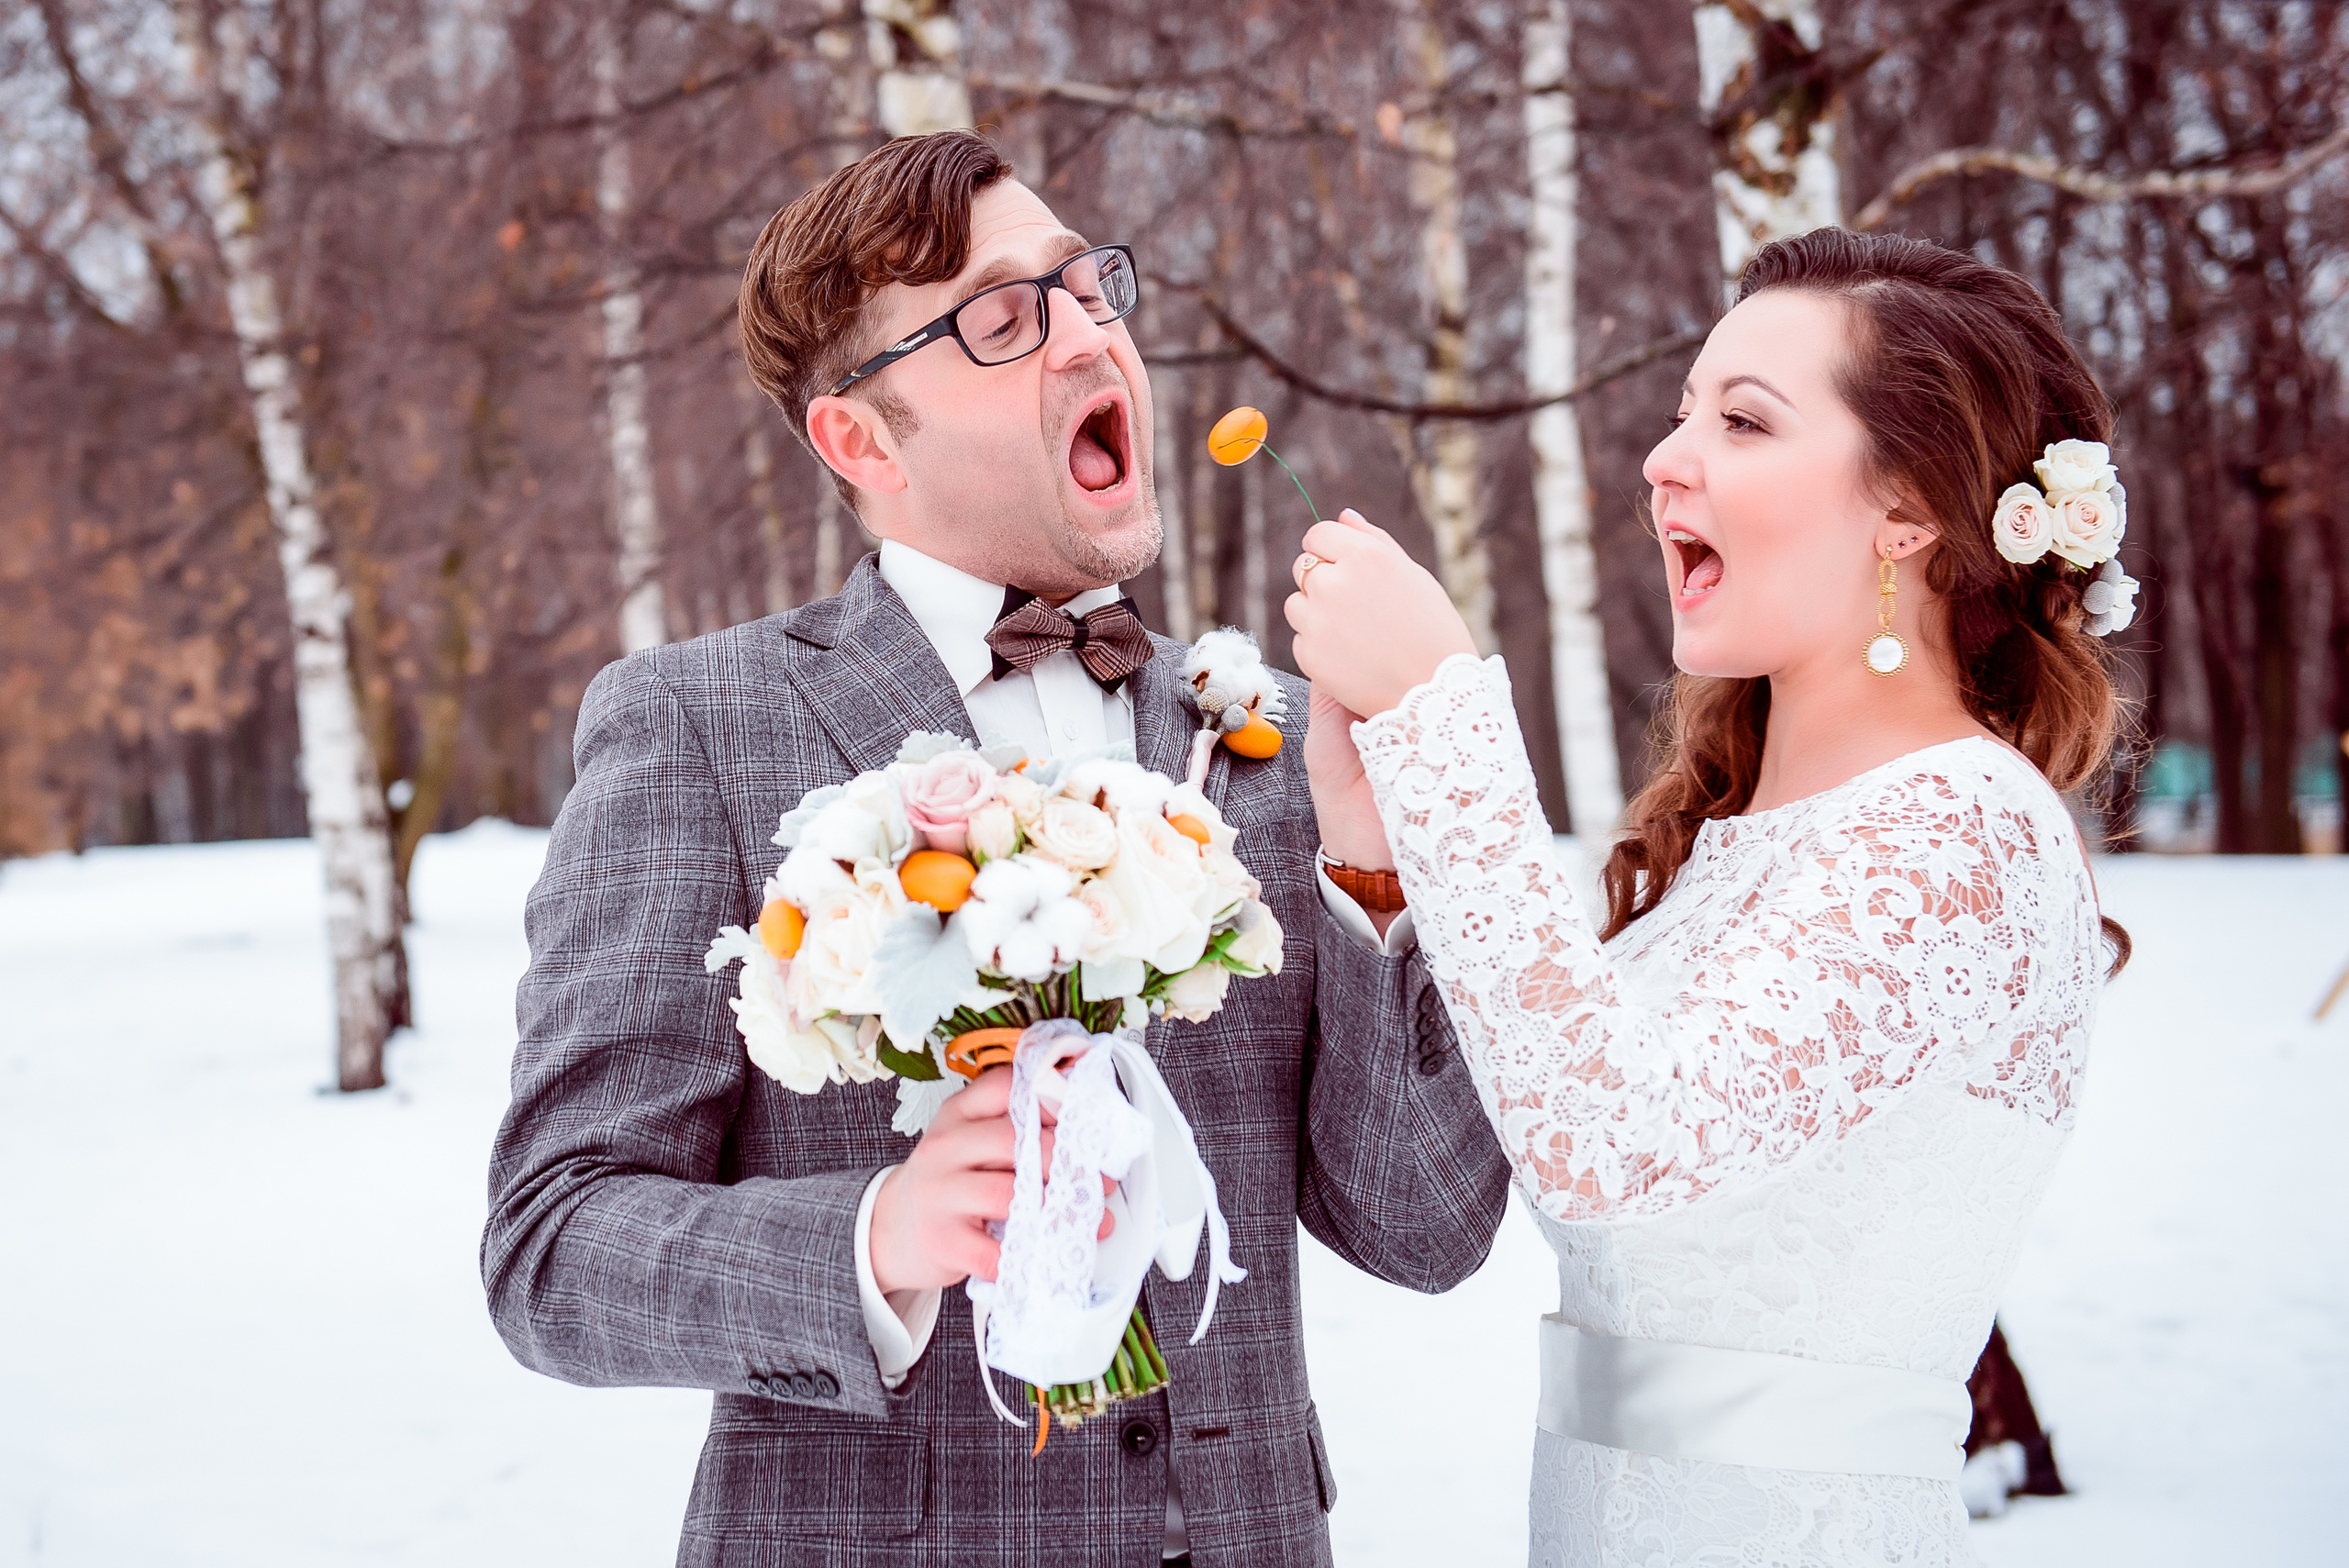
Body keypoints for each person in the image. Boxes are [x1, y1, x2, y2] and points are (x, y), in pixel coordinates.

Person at [479, 129, 1510, 1568]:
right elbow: (552, 1251)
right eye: (1003, 316)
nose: (1088, 333)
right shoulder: (697, 726)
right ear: (859, 436)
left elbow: (1428, 1231)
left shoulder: (1263, 737)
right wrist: (880, 1234)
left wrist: (1377, 860)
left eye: (1087, 286)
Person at [1285, 228, 2131, 1566]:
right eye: (1683, 413)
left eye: (1743, 421)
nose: (1665, 459)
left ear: (1908, 508)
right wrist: (1384, 852)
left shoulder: (1967, 833)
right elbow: (1498, 1154)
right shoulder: (1725, 847)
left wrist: (1446, 720)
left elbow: (1620, 1153)